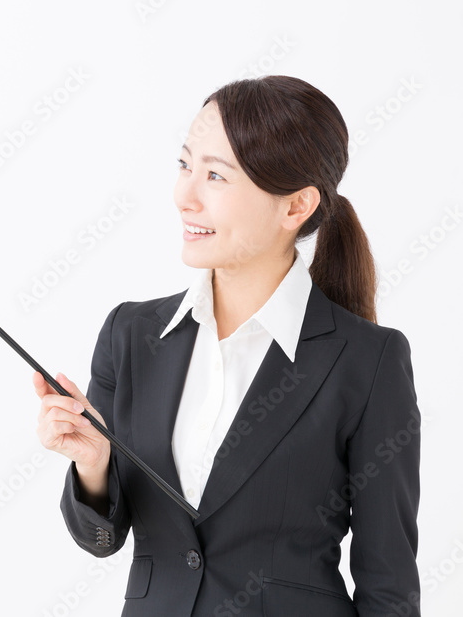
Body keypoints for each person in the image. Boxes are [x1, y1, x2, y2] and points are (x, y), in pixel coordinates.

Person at [34, 75, 421, 616]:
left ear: (295, 208)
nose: (184, 196)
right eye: (185, 165)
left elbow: (390, 587)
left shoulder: (367, 361)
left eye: (216, 175)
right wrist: (93, 465)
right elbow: (102, 541)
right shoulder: (131, 335)